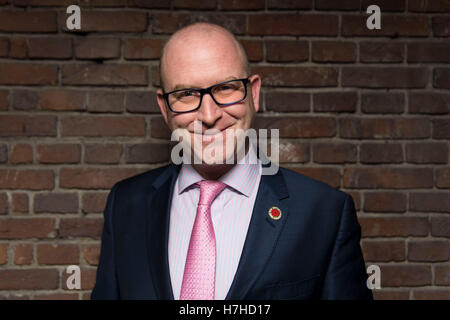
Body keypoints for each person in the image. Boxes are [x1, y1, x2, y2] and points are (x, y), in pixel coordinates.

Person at [91, 22, 373, 300]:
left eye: (226, 88)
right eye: (186, 95)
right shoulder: (125, 205)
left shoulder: (323, 213)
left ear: (254, 93)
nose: (210, 115)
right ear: (165, 108)